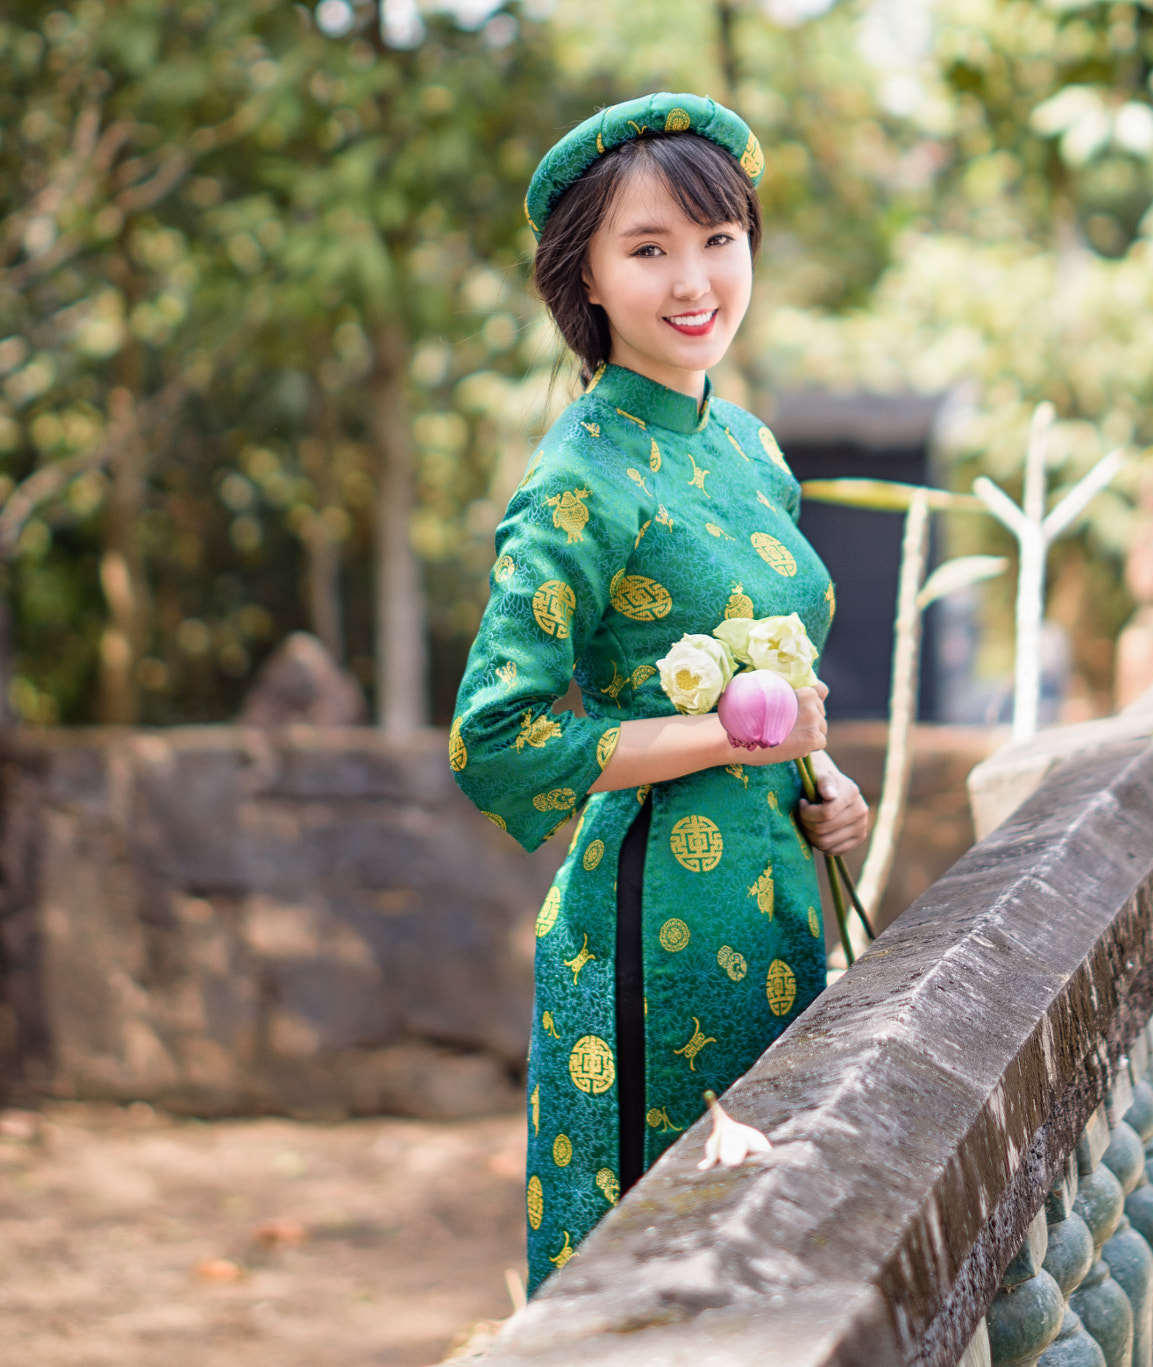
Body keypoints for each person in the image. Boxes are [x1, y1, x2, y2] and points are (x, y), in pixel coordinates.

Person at [448, 92, 870, 1292]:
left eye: (717, 241)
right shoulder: (575, 479)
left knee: (770, 1254)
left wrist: (822, 782)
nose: (694, 282)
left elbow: (781, 686)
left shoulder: (749, 447)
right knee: (660, 1276)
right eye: (648, 250)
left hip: (777, 895)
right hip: (647, 928)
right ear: (584, 276)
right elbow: (496, 737)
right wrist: (716, 737)